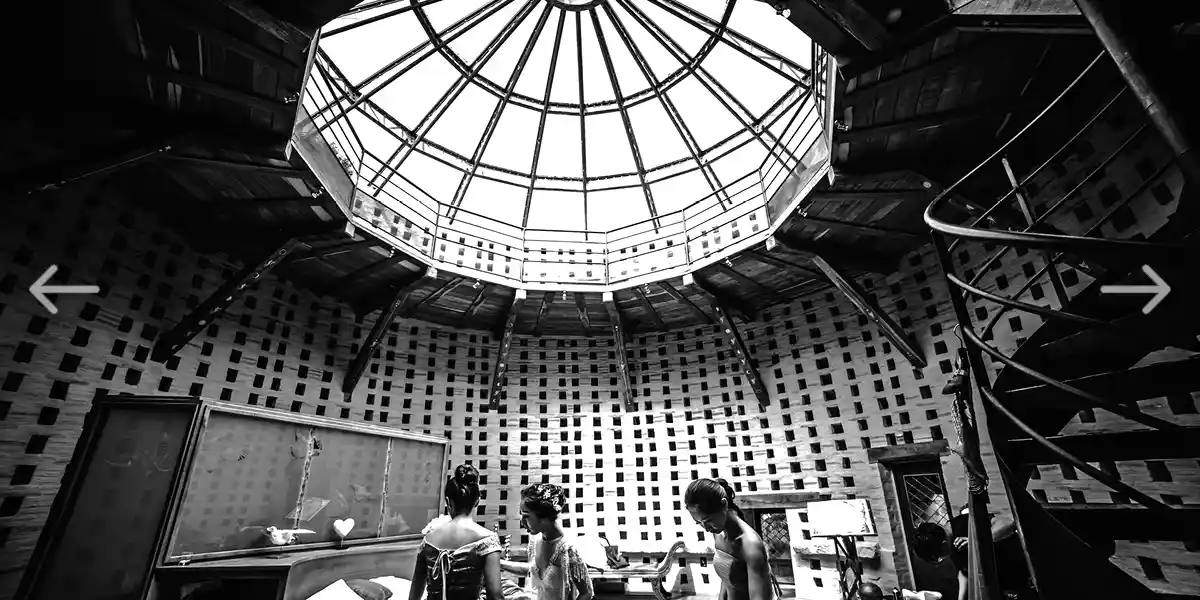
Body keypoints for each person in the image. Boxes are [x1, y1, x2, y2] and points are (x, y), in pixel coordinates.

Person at [409, 464, 503, 600]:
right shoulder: (488, 540)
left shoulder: (429, 539)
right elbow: (495, 595)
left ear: (448, 502)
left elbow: (414, 596)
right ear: (477, 501)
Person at [684, 479, 777, 600]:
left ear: (724, 504)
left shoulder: (749, 544)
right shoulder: (718, 532)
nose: (706, 528)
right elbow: (727, 580)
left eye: (708, 521)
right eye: (699, 523)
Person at [499, 483, 594, 600]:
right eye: (521, 515)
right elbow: (533, 570)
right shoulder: (536, 541)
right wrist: (500, 563)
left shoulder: (567, 548)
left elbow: (587, 592)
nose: (522, 522)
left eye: (526, 516)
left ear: (544, 518)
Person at [911, 509, 1031, 600]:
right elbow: (964, 572)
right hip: (1011, 583)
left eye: (937, 558)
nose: (941, 560)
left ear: (943, 545)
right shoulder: (951, 548)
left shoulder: (963, 523)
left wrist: (976, 541)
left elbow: (1008, 523)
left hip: (1028, 562)